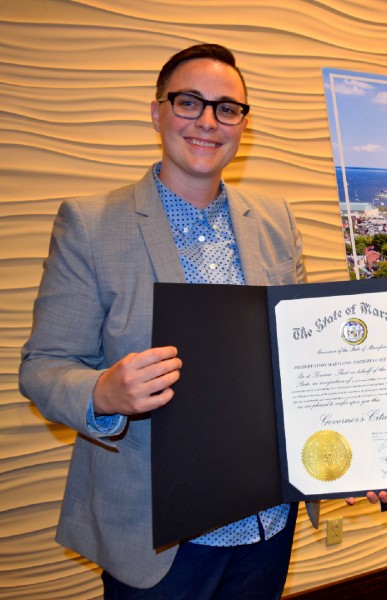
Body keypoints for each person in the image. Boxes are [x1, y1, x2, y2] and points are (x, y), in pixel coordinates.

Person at [19, 43, 305, 598]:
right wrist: (102, 391)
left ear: (243, 124)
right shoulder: (92, 224)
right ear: (157, 111)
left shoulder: (275, 221)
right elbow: (44, 366)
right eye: (189, 102)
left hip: (268, 521)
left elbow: (300, 359)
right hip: (157, 537)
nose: (207, 121)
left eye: (227, 108)